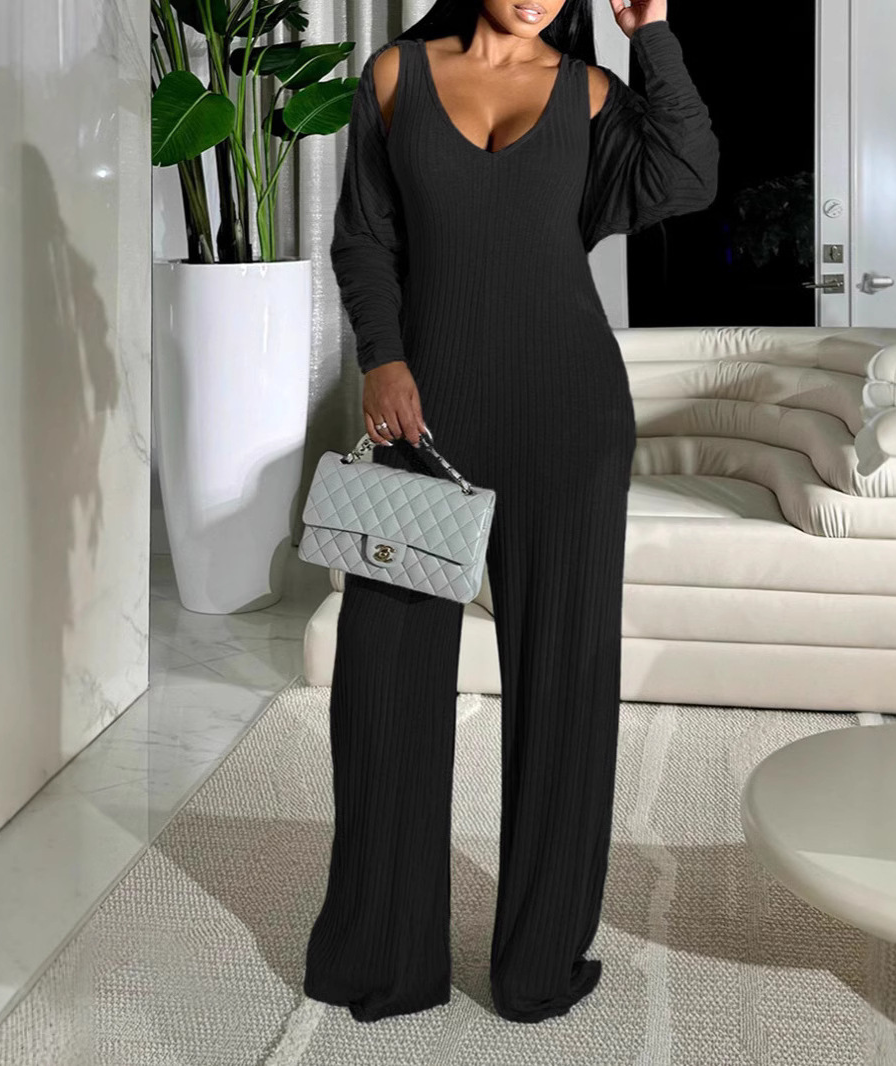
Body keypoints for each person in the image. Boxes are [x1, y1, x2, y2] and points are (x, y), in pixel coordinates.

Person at [303, 0, 718, 1025]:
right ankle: (387, 955)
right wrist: (382, 358)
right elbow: (363, 239)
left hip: (569, 418)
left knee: (562, 688)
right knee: (383, 688)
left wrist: (652, 33)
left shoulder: (588, 92)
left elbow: (687, 174)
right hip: (421, 420)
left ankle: (537, 962)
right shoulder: (397, 76)